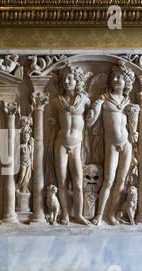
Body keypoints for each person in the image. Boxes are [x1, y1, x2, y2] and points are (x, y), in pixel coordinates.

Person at [86, 61, 137, 225]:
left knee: (121, 181)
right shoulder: (104, 99)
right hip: (112, 145)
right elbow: (90, 123)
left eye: (119, 78)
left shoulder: (128, 102)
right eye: (113, 78)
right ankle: (99, 215)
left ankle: (112, 214)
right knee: (108, 180)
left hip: (126, 144)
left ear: (127, 82)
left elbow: (132, 124)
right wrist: (93, 110)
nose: (115, 80)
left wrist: (134, 132)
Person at [48, 63, 91, 225]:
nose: (67, 81)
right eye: (64, 78)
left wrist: (95, 111)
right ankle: (65, 214)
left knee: (78, 183)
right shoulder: (57, 101)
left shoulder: (85, 101)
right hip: (61, 143)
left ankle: (78, 215)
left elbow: (91, 122)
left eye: (71, 78)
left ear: (77, 80)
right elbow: (52, 119)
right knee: (62, 182)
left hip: (77, 145)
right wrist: (51, 121)